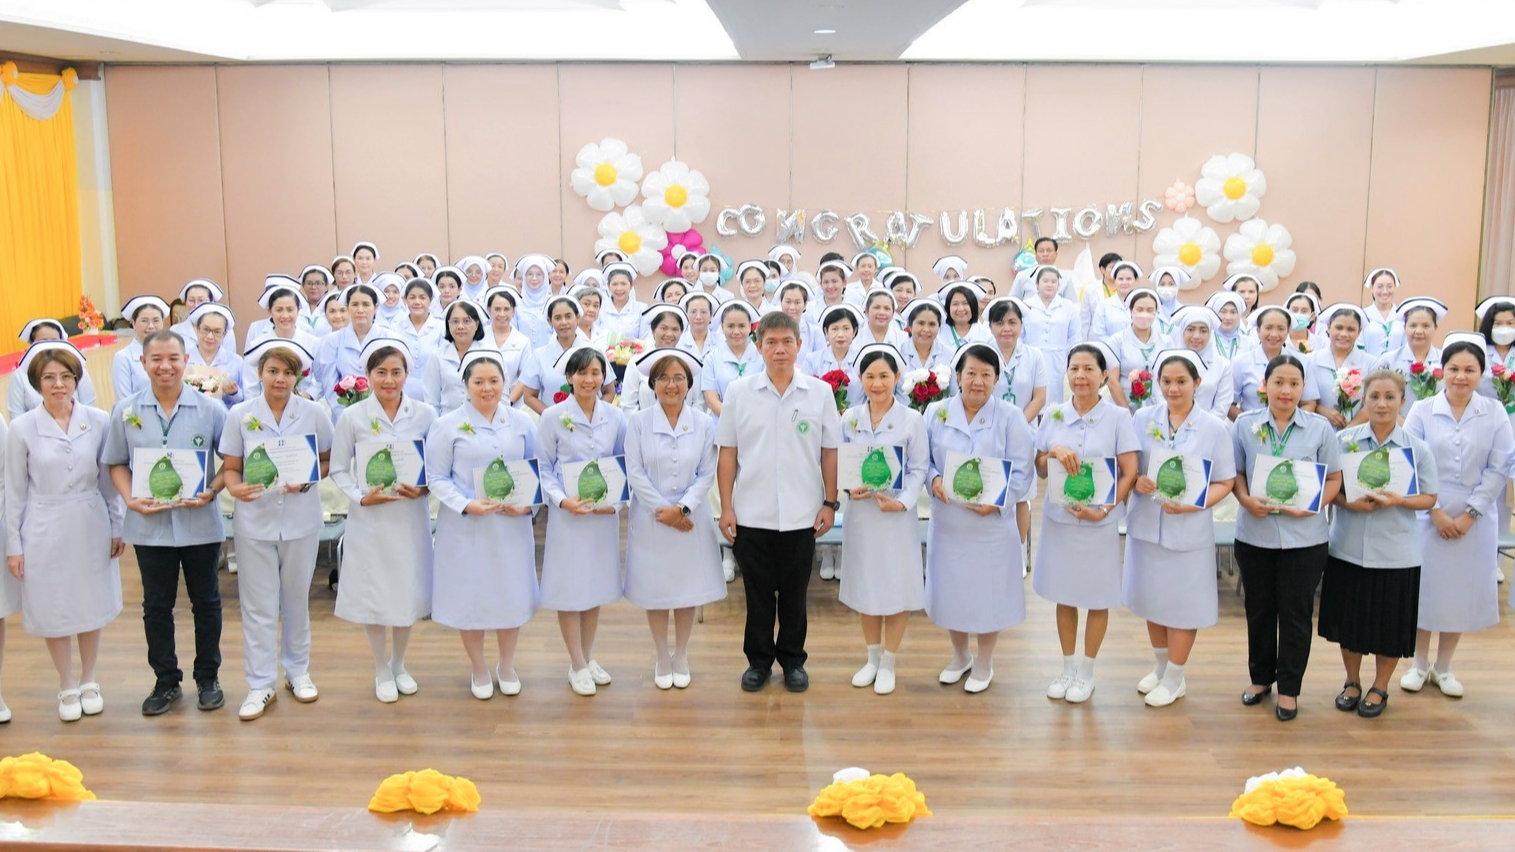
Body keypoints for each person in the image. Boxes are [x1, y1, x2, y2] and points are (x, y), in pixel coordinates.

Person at [104, 329, 228, 716]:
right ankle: (165, 680)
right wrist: (129, 499)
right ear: (143, 363)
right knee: (156, 606)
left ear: (185, 360)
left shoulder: (210, 410)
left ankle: (208, 677)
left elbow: (232, 462)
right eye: (156, 359)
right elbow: (116, 462)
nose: (165, 366)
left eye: (173, 358)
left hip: (200, 523)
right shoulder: (125, 410)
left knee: (206, 602)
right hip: (150, 527)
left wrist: (212, 489)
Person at [717, 312, 840, 694]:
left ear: (799, 345)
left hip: (803, 514)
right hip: (752, 514)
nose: (780, 349)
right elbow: (728, 453)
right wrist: (726, 506)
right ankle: (758, 662)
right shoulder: (739, 392)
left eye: (787, 341)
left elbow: (830, 452)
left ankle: (792, 661)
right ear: (759, 347)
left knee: (793, 596)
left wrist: (829, 503)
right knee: (756, 596)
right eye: (771, 342)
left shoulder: (819, 392)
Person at [5, 342, 123, 722]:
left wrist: (117, 525)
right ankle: (67, 684)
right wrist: (14, 545)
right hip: (43, 524)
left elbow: (109, 480)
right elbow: (14, 491)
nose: (59, 385)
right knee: (54, 605)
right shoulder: (22, 428)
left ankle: (90, 679)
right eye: (49, 378)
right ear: (37, 384)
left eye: (66, 376)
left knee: (89, 602)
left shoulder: (99, 419)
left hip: (89, 520)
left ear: (77, 379)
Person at [219, 339, 332, 720]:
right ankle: (260, 683)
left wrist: (310, 478)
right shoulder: (241, 415)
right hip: (255, 521)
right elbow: (231, 467)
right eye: (273, 371)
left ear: (297, 376)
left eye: (288, 372)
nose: (280, 379)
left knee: (296, 600)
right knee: (258, 605)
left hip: (301, 519)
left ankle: (297, 671)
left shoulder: (314, 413)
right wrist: (235, 488)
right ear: (260, 373)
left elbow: (326, 459)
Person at [1231, 351, 1343, 721]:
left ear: (1303, 387)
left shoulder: (1319, 429)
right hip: (1255, 534)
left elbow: (1335, 479)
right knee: (1259, 610)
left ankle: (1290, 688)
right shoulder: (1245, 425)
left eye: (1294, 383)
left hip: (1305, 538)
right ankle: (1260, 678)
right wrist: (1246, 500)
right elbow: (1237, 474)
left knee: (1295, 614)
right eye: (1279, 382)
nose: (1286, 390)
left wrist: (1313, 505)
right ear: (1266, 385)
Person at [1402, 334, 1513, 699]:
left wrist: (1469, 514)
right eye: (1454, 368)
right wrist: (1433, 512)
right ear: (1441, 370)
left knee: (1458, 593)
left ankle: (1444, 667)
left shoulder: (1494, 413)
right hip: (1425, 512)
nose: (1461, 376)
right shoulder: (1422, 410)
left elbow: (1499, 468)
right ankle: (1418, 664)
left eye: (1470, 369)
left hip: (1475, 518)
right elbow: (1408, 463)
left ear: (1481, 373)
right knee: (1424, 591)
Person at [1125, 350, 1237, 707]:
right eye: (1167, 381)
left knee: (1182, 605)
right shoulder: (1142, 417)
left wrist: (1197, 502)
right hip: (1147, 525)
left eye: (1181, 382)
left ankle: (1175, 677)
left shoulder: (1214, 427)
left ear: (1197, 384)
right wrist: (1137, 481)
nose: (1173, 389)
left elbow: (1226, 480)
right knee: (1152, 600)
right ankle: (1160, 668)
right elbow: (1127, 466)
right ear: (1157, 384)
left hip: (1188, 527)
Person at [1324, 369, 1438, 718]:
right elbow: (1330, 488)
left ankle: (1381, 686)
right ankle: (1352, 680)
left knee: (1389, 625)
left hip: (1396, 553)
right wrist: (1347, 503)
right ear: (1364, 399)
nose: (1382, 403)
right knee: (1350, 622)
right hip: (1348, 546)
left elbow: (1430, 498)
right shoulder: (1344, 441)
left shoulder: (1415, 449)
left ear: (1402, 401)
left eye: (1390, 397)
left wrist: (1399, 500)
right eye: (1374, 396)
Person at [328, 337, 436, 704]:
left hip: (409, 516)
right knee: (375, 593)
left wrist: (424, 490)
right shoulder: (352, 417)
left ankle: (400, 664)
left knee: (405, 591)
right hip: (371, 518)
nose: (389, 380)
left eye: (396, 372)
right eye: (381, 372)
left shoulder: (425, 415)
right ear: (368, 375)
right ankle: (379, 667)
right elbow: (340, 470)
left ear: (407, 374)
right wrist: (361, 496)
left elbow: (434, 468)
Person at [426, 350, 538, 700]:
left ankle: (506, 664)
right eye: (479, 382)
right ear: (466, 386)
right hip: (465, 529)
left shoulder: (522, 423)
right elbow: (436, 477)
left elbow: (535, 471)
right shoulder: (447, 426)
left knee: (510, 596)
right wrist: (466, 505)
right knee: (469, 598)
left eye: (494, 381)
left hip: (510, 527)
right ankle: (478, 667)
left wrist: (529, 506)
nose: (487, 388)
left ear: (505, 384)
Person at [924, 344, 1036, 693]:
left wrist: (1000, 501)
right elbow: (923, 459)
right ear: (958, 377)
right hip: (949, 523)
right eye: (971, 373)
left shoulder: (1010, 416)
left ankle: (984, 663)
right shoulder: (935, 412)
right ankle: (960, 657)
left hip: (991, 525)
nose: (978, 381)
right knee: (952, 592)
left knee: (988, 594)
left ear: (997, 380)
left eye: (987, 375)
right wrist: (935, 479)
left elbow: (1023, 469)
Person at [1034, 343, 1140, 704]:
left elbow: (1130, 472)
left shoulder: (1118, 418)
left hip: (1099, 522)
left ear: (1103, 376)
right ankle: (1066, 667)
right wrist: (1051, 451)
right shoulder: (1054, 414)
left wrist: (1106, 510)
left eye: (1088, 369)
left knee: (1097, 597)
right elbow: (1038, 466)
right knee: (1065, 595)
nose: (1080, 376)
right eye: (1074, 368)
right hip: (1060, 521)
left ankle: (1088, 671)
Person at [624, 348, 724, 690]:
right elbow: (634, 472)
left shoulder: (704, 423)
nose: (671, 384)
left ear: (689, 384)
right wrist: (662, 510)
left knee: (685, 590)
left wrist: (681, 509)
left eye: (678, 378)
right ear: (652, 384)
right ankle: (660, 654)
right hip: (651, 520)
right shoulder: (637, 422)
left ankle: (681, 654)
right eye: (664, 378)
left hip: (690, 519)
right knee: (656, 591)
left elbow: (706, 473)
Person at [837, 344, 928, 696]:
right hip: (861, 515)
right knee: (866, 585)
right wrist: (848, 490)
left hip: (894, 517)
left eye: (884, 376)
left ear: (897, 378)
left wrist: (904, 502)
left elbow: (919, 467)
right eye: (870, 376)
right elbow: (842, 463)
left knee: (896, 585)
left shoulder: (911, 420)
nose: (877, 383)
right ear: (861, 379)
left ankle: (889, 661)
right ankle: (872, 658)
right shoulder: (850, 418)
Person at [537, 345, 628, 696]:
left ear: (604, 377)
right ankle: (575, 663)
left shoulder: (615, 417)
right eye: (582, 373)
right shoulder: (553, 417)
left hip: (602, 518)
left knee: (594, 589)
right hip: (568, 518)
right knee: (569, 589)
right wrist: (562, 500)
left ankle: (588, 657)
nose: (589, 380)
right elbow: (543, 467)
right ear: (569, 377)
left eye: (596, 373)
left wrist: (616, 505)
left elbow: (622, 464)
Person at [519, 295, 611, 414]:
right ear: (549, 321)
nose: (563, 322)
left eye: (568, 316)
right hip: (553, 428)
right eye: (557, 318)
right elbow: (529, 396)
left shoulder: (594, 351)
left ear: (577, 318)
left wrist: (593, 415)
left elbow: (609, 391)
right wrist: (553, 418)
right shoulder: (539, 355)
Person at [1232, 307, 1321, 420]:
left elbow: (1309, 403)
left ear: (1288, 331)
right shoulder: (1241, 362)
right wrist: (1251, 426)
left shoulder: (1303, 361)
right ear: (1258, 331)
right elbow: (1230, 405)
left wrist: (1290, 427)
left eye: (1281, 328)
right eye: (1268, 328)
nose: (1274, 334)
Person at [314, 283, 384, 420]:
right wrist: (346, 415)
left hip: (382, 413)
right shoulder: (332, 341)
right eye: (354, 304)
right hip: (344, 415)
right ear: (347, 308)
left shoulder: (388, 338)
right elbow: (330, 385)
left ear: (376, 308)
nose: (360, 310)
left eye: (366, 304)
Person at [1371, 298, 1447, 417]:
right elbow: (1378, 400)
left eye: (1426, 326)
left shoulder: (1446, 361)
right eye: (1413, 325)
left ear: (1435, 328)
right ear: (1404, 327)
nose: (1419, 331)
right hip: (1397, 428)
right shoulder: (1388, 361)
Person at [9, 319, 98, 421]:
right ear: (31, 344)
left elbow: (89, 409)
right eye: (43, 341)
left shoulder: (76, 370)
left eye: (55, 340)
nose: (50, 345)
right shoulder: (20, 376)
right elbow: (16, 418)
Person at [1020, 266, 1081, 404]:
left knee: (1056, 397)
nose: (1049, 284)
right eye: (1045, 281)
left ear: (1059, 285)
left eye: (1054, 281)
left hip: (1060, 360)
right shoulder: (1025, 305)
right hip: (1031, 357)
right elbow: (1020, 336)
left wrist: (1073, 361)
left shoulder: (1068, 306)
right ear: (1037, 284)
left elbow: (1075, 337)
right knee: (1033, 396)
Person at [1308, 304, 1373, 430]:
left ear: (1359, 331)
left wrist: (1348, 432)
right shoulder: (1311, 360)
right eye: (1339, 327)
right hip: (1317, 430)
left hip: (1356, 434)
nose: (1344, 334)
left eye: (1351, 329)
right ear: (1328, 327)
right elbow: (1304, 400)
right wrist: (1322, 410)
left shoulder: (1370, 363)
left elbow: (1371, 404)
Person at [701, 301, 764, 423]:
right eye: (730, 326)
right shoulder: (711, 359)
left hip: (757, 423)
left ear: (750, 326)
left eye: (741, 326)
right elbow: (711, 400)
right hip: (723, 424)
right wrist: (735, 419)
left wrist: (750, 420)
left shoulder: (762, 355)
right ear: (722, 326)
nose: (736, 331)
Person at [621, 305, 689, 414]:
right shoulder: (637, 363)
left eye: (675, 329)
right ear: (653, 330)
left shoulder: (688, 362)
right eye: (663, 328)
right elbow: (628, 406)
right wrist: (643, 428)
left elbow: (697, 402)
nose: (669, 334)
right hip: (644, 428)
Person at [1170, 306, 1235, 419]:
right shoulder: (1168, 361)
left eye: (1203, 331)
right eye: (1190, 329)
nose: (1196, 336)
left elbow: (1222, 407)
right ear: (1182, 332)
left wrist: (1198, 427)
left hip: (1208, 430)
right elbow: (1160, 400)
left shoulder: (1222, 365)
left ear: (1210, 334)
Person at [422, 299, 485, 415]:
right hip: (447, 424)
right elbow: (431, 400)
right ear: (448, 324)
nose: (460, 327)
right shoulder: (437, 356)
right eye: (455, 322)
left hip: (482, 421)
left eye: (466, 321)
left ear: (476, 324)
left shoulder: (488, 354)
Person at [1107, 289, 1167, 411]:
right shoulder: (1117, 341)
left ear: (1156, 313)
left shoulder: (1166, 341)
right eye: (1139, 309)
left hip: (1158, 406)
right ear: (1131, 311)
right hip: (1124, 406)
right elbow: (1112, 381)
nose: (1144, 314)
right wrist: (1127, 414)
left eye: (1150, 310)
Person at [388, 278, 444, 399]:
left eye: (422, 297)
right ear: (405, 300)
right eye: (412, 297)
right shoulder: (395, 327)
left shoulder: (441, 328)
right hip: (402, 390)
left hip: (434, 390)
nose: (417, 302)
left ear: (431, 300)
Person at [479, 287, 535, 405]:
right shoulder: (479, 337)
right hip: (482, 400)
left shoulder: (522, 341)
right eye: (497, 309)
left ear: (513, 311)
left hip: (512, 404)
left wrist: (508, 401)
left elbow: (525, 378)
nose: (502, 314)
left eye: (506, 309)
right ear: (489, 310)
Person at [184, 304, 244, 409]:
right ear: (197, 329)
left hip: (225, 420)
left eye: (217, 332)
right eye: (205, 330)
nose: (210, 336)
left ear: (224, 334)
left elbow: (246, 400)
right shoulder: (182, 359)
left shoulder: (236, 362)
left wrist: (234, 392)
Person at [111, 295, 170, 401]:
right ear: (133, 324)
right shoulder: (123, 357)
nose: (151, 326)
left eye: (156, 320)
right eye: (144, 321)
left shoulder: (171, 353)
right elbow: (124, 400)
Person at [899, 299, 954, 384]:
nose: (926, 329)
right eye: (921, 323)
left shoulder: (950, 355)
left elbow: (954, 393)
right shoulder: (898, 353)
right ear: (910, 325)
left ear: (939, 327)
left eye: (932, 324)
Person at [1010, 237, 1075, 302]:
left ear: (1056, 254)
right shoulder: (1022, 275)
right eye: (1041, 251)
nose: (1045, 254)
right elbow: (1012, 301)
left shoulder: (1065, 277)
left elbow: (1073, 303)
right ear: (1035, 254)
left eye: (1049, 251)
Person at [1090, 261, 1143, 340]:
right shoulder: (1103, 306)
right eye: (1120, 279)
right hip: (1109, 350)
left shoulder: (1143, 304)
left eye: (1129, 279)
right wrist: (1115, 346)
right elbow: (1098, 334)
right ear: (1114, 281)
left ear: (1135, 280)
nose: (1124, 282)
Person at [1359, 268, 1404, 358]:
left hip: (1397, 370)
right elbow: (1359, 348)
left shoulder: (1402, 316)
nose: (1384, 291)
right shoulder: (1362, 315)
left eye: (1389, 286)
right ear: (1372, 288)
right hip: (1369, 369)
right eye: (1380, 287)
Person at [597, 264, 646, 340]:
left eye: (623, 284)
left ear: (631, 285)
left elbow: (645, 339)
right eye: (615, 284)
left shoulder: (641, 309)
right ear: (609, 286)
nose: (619, 288)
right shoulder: (600, 308)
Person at [939, 281, 991, 350]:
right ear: (948, 307)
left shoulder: (987, 336)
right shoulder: (938, 335)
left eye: (965, 303)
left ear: (973, 306)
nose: (960, 309)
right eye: (955, 304)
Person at [1205, 291, 1252, 362]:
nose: (1228, 317)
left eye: (1233, 312)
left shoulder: (1250, 343)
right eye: (1223, 312)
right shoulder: (1205, 341)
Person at [678, 291, 721, 363]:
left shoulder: (722, 341)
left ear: (710, 316)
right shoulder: (678, 342)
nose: (698, 317)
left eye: (703, 312)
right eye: (693, 312)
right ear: (686, 315)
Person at [297, 265, 334, 336]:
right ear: (303, 286)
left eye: (318, 283)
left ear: (326, 287)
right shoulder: (297, 308)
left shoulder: (333, 309)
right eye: (309, 283)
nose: (313, 287)